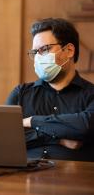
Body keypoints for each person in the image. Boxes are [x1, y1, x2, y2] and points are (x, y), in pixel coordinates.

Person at [6, 18, 94, 161]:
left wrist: (31, 122)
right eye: (35, 52)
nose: (38, 57)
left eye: (45, 49)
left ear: (69, 50)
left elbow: (84, 127)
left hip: (77, 178)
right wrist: (58, 139)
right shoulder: (21, 93)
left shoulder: (91, 95)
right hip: (23, 177)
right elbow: (5, 136)